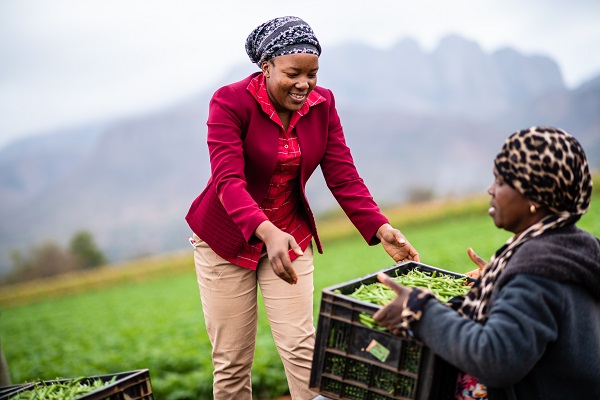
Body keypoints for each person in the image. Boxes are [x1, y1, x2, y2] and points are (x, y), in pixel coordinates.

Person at [185, 16, 420, 400]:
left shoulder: (322, 104)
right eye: (293, 74)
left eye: (312, 74)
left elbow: (343, 176)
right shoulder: (230, 101)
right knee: (232, 359)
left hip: (289, 233)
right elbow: (228, 181)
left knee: (301, 347)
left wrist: (380, 227)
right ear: (266, 67)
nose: (304, 84)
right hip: (225, 239)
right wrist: (266, 231)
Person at [373, 126, 600, 400]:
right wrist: (496, 284)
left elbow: (496, 359)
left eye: (501, 182)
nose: (491, 190)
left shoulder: (537, 270)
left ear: (534, 196)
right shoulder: (573, 245)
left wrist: (421, 310)